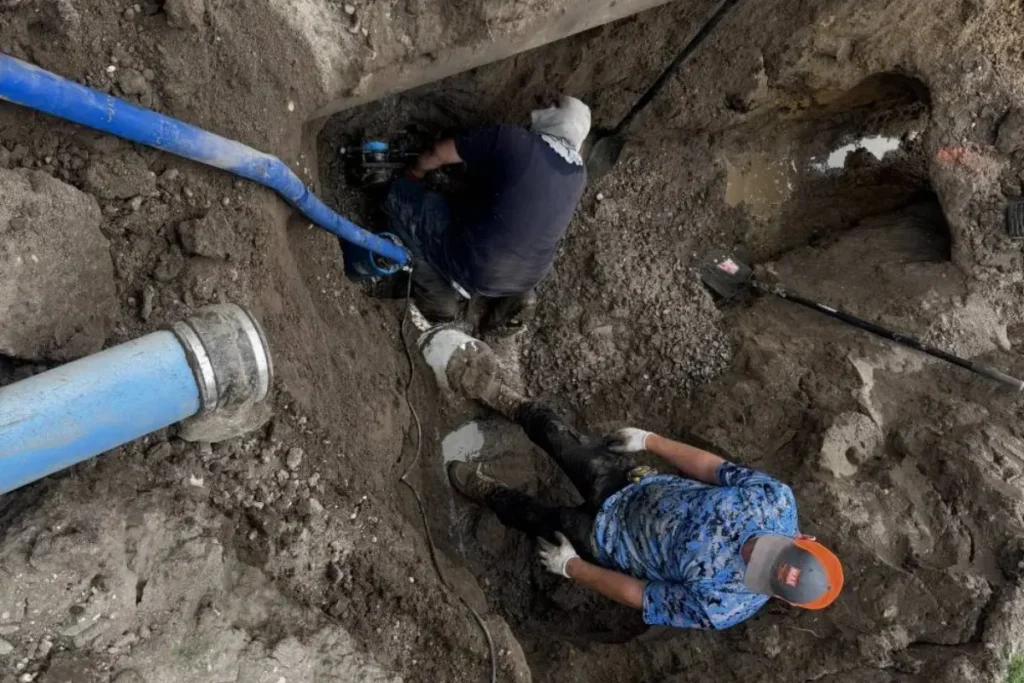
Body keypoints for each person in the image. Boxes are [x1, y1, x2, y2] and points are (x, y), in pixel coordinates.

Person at [446, 391, 844, 630]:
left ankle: (490, 493)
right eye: (766, 548)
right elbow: (714, 468)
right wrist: (652, 441)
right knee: (560, 438)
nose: (750, 553)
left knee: (539, 520)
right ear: (802, 539)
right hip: (633, 485)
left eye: (758, 567)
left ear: (781, 598)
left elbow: (643, 595)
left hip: (606, 543)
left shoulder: (722, 605)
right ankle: (510, 401)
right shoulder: (774, 500)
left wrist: (574, 568)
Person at [383, 96, 591, 326]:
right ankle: (517, 296)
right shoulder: (579, 176)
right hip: (528, 275)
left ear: (555, 118)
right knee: (516, 239)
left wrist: (414, 173)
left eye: (552, 106)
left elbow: (440, 153)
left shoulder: (516, 141)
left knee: (398, 199)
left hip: (478, 264)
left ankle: (437, 295)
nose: (545, 105)